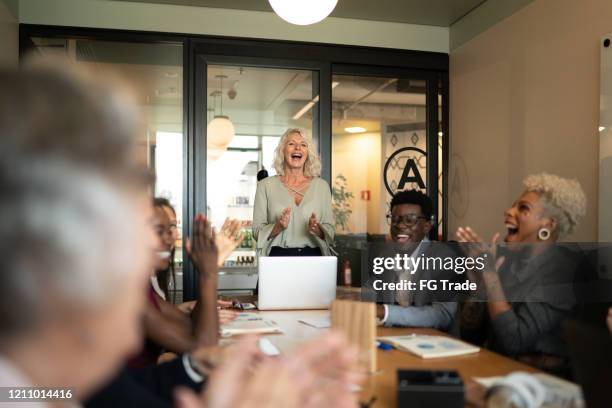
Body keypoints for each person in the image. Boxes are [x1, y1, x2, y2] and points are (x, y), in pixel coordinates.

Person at [457, 173, 586, 374]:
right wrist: (479, 288)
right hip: (495, 371)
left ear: (548, 225)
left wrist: (490, 275)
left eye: (523, 208)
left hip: (538, 386)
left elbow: (513, 341)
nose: (508, 211)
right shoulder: (507, 260)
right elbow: (469, 335)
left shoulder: (562, 273)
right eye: (513, 205)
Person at [374, 190, 458, 331]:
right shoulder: (386, 256)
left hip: (433, 343)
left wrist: (385, 312)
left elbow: (443, 314)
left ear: (426, 226)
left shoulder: (443, 257)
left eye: (410, 220)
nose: (400, 226)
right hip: (393, 338)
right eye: (395, 219)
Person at [252, 128, 334, 256]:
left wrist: (318, 230)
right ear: (282, 151)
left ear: (308, 153)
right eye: (291, 144)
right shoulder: (265, 186)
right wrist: (278, 226)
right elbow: (257, 232)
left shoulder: (322, 187)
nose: (297, 148)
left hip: (314, 259)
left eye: (303, 145)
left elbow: (331, 231)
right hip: (278, 259)